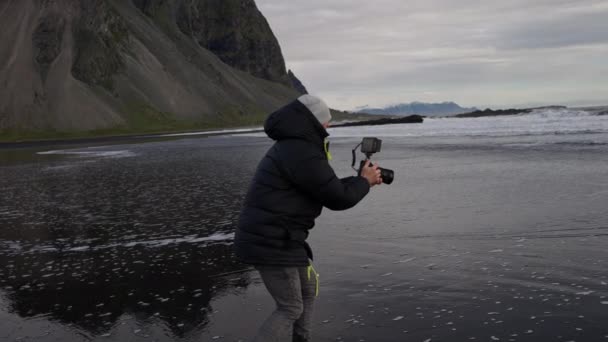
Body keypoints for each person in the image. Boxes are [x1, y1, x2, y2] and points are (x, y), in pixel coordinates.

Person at [234, 94, 382, 342]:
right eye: (326, 121)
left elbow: (324, 187)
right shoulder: (301, 150)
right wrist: (364, 182)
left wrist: (360, 180)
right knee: (290, 307)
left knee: (307, 291)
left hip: (281, 237)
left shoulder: (297, 146)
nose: (329, 126)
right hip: (271, 240)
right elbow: (337, 199)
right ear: (314, 121)